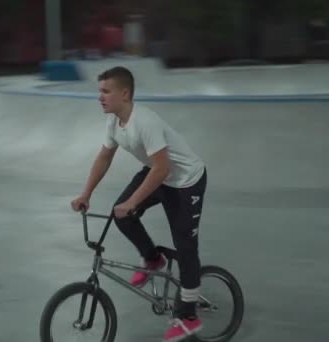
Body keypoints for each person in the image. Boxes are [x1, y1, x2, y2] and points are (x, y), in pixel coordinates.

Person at [71, 66, 207, 342]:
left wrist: (133, 201)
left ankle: (189, 316)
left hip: (185, 181)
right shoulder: (114, 122)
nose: (100, 97)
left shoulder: (144, 121)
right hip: (159, 173)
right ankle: (153, 258)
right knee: (120, 215)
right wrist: (86, 194)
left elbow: (162, 168)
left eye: (106, 91)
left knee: (185, 245)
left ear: (125, 93)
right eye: (99, 91)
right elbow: (104, 158)